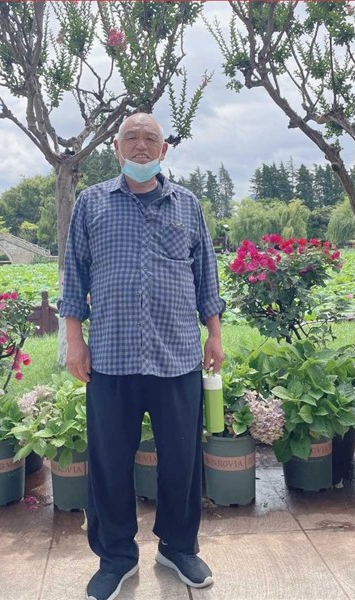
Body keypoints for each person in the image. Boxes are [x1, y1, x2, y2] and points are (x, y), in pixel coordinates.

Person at [60, 112, 225, 600]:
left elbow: (206, 274)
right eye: (131, 137)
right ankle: (116, 557)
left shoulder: (187, 204)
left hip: (177, 355)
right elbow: (74, 274)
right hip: (111, 357)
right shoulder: (92, 203)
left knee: (182, 459)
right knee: (109, 462)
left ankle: (178, 546)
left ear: (164, 150)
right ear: (116, 147)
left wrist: (214, 335)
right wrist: (74, 340)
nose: (140, 145)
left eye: (150, 138)